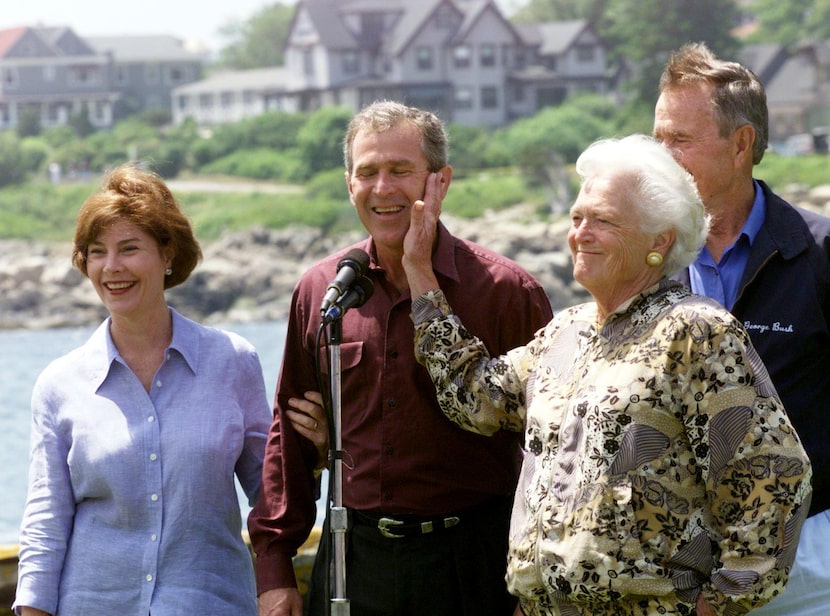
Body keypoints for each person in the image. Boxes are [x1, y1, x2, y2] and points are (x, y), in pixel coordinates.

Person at [402, 134, 813, 616]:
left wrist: (716, 605)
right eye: (578, 218)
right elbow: (475, 398)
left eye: (603, 221)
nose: (581, 234)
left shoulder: (697, 333)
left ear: (659, 240)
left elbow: (774, 477)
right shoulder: (566, 332)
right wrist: (419, 275)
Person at [247, 100, 553, 616]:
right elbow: (289, 440)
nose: (382, 188)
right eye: (367, 172)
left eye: (400, 170)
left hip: (475, 562)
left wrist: (536, 585)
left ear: (440, 181)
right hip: (355, 560)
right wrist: (275, 569)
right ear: (349, 184)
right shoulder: (322, 291)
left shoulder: (507, 291)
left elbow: (548, 451)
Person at [13, 164, 272, 616]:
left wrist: (316, 452)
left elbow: (272, 494)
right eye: (97, 252)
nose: (112, 267)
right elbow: (45, 524)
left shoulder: (232, 362)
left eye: (129, 249)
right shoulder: (59, 384)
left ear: (167, 254)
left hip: (210, 604)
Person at [653, 42, 830, 615]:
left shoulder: (820, 253)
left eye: (678, 139)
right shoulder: (644, 260)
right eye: (656, 137)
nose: (661, 155)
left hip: (808, 560)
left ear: (741, 145)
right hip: (677, 564)